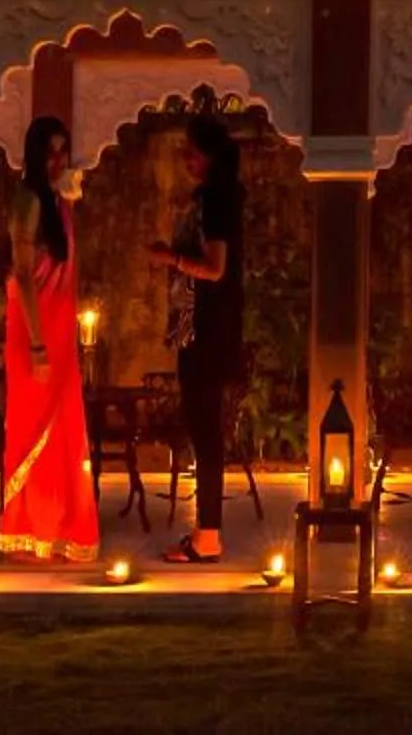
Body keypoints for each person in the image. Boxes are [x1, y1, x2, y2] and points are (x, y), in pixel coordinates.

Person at [0, 115, 99, 561]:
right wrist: (37, 343)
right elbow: (23, 274)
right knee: (32, 427)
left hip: (58, 332)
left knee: (65, 431)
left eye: (62, 152)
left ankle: (59, 530)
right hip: (33, 333)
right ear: (35, 155)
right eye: (49, 152)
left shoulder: (58, 203)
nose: (57, 160)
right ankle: (28, 529)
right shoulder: (28, 200)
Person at [151, 113, 244, 564]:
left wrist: (170, 257)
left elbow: (215, 268)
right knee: (203, 431)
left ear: (209, 156)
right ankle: (206, 531)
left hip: (207, 331)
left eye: (192, 149)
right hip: (203, 330)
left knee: (205, 432)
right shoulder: (216, 198)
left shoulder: (216, 200)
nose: (186, 156)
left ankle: (208, 535)